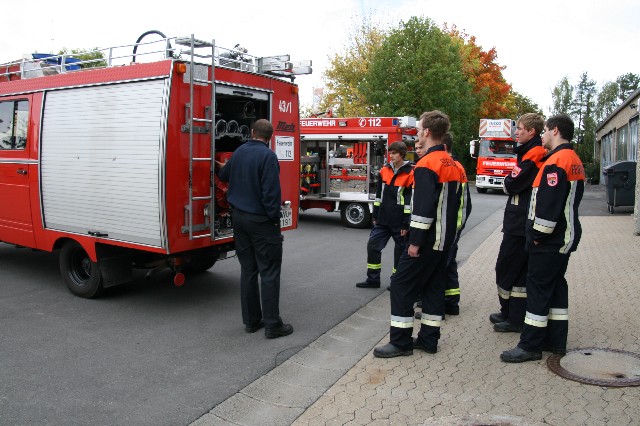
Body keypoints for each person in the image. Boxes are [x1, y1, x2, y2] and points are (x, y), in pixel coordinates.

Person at [373, 110, 471, 358]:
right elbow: (463, 207)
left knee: (400, 285)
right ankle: (429, 340)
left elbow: (423, 209)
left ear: (427, 132)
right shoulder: (454, 165)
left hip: (426, 241)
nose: (417, 133)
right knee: (433, 287)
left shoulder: (427, 164)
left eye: (418, 129)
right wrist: (452, 236)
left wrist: (414, 242)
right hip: (445, 241)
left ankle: (400, 342)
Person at [501, 113, 585, 362]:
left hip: (549, 241)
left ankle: (530, 345)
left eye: (546, 130)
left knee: (537, 290)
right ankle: (555, 341)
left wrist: (538, 235)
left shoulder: (556, 162)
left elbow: (548, 206)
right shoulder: (572, 159)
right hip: (564, 237)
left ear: (555, 130)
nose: (543, 135)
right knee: (556, 287)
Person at [217, 119, 293, 339]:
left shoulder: (239, 152)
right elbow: (271, 193)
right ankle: (272, 325)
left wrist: (223, 166)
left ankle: (251, 321)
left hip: (239, 219)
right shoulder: (268, 156)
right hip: (261, 222)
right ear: (270, 137)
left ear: (251, 132)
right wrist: (274, 220)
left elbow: (223, 176)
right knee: (269, 272)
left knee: (248, 270)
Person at [491, 113, 547, 333]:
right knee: (516, 270)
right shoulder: (528, 152)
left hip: (520, 222)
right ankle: (510, 313)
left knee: (507, 267)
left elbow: (511, 184)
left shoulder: (534, 154)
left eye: (520, 128)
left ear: (531, 132)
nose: (516, 132)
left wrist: (508, 181)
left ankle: (514, 318)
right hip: (519, 220)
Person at [356, 142, 414, 289]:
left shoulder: (411, 173)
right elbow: (379, 196)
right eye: (390, 153)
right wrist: (375, 216)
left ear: (402, 154)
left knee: (400, 252)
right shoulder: (384, 170)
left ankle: (396, 282)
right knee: (373, 246)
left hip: (399, 222)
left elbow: (409, 201)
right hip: (382, 220)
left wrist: (406, 223)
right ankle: (373, 280)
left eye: (394, 153)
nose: (391, 156)